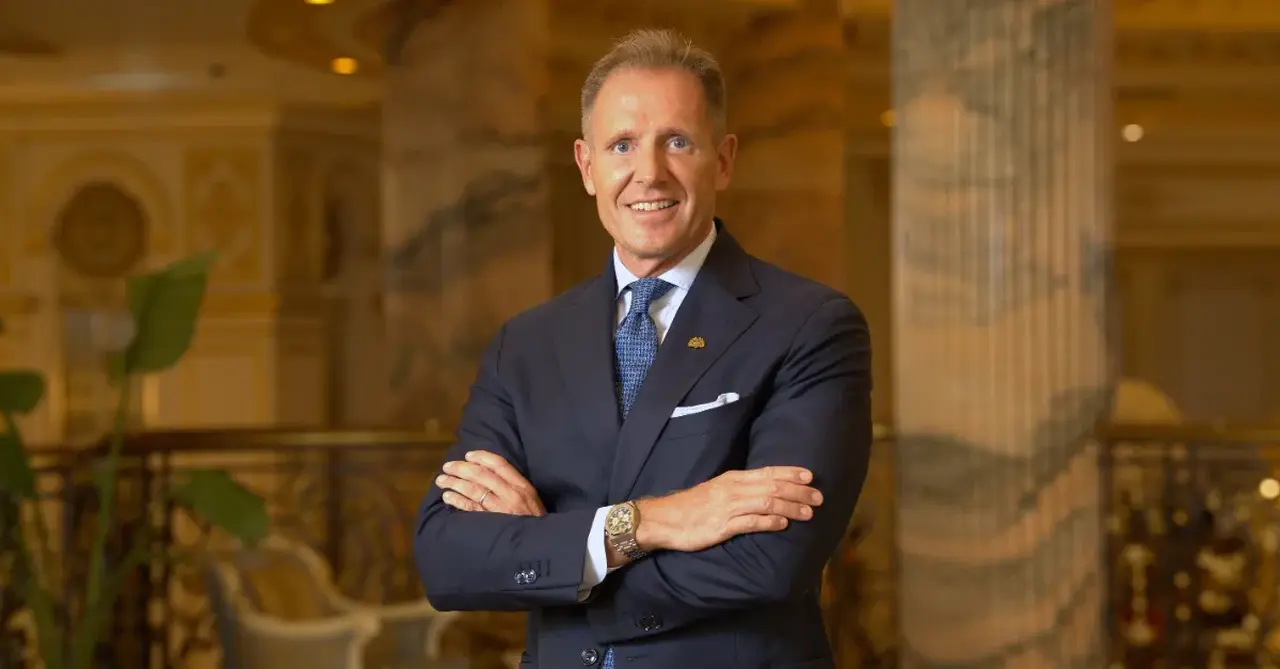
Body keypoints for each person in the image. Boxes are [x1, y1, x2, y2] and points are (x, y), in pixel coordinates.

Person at [413, 27, 872, 669]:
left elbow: (769, 563)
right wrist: (649, 523)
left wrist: (554, 556)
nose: (648, 173)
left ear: (724, 159)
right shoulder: (526, 344)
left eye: (677, 141)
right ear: (587, 167)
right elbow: (447, 559)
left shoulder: (810, 326)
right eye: (622, 145)